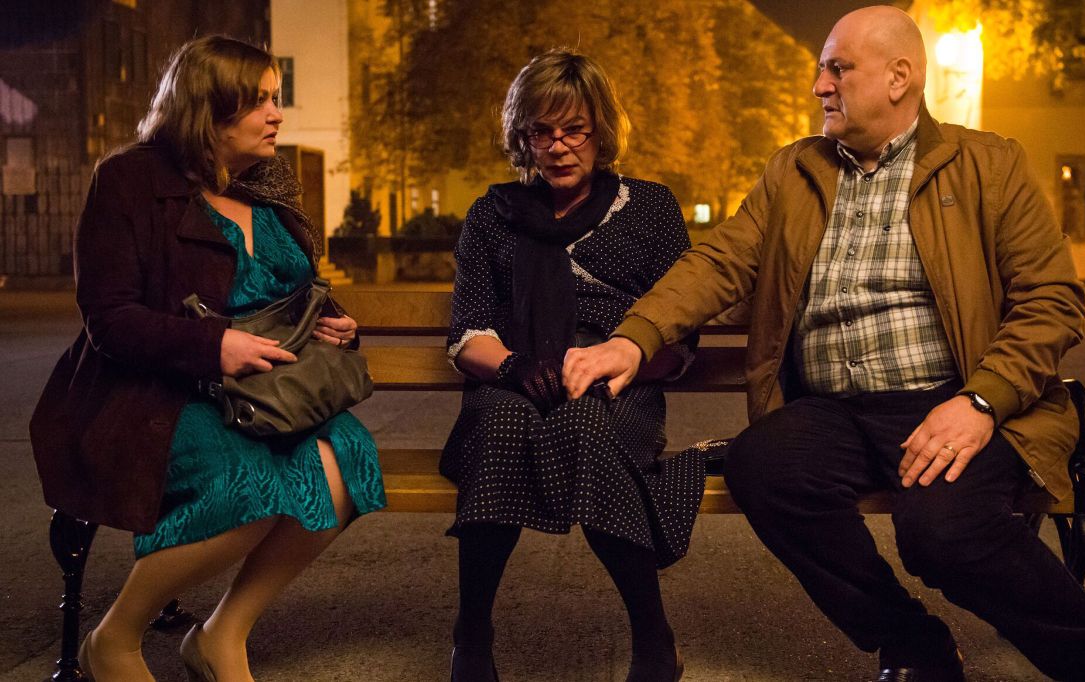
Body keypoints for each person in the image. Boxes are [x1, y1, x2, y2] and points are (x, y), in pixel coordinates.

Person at [563, 6, 1085, 681]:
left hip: (952, 399)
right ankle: (913, 644)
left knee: (940, 532)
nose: (820, 86)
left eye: (837, 69)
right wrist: (634, 339)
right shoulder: (795, 171)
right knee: (763, 466)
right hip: (833, 412)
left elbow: (1052, 301)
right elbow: (719, 262)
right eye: (821, 70)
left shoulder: (988, 165)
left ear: (899, 78)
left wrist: (982, 401)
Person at [29, 36, 386, 682]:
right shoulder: (128, 181)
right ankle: (115, 640)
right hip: (157, 395)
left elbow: (295, 287)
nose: (277, 114)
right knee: (253, 482)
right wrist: (213, 346)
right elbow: (108, 318)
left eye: (275, 98)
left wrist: (331, 323)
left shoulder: (266, 184)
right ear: (208, 110)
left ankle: (224, 634)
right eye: (259, 101)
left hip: (268, 392)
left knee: (349, 459)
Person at [441, 48, 703, 682]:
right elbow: (467, 331)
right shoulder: (492, 215)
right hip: (518, 374)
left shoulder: (651, 208)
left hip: (618, 381)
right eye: (542, 131)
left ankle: (653, 635)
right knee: (501, 425)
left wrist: (621, 359)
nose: (559, 147)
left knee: (584, 426)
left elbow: (680, 330)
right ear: (523, 136)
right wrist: (512, 368)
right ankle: (471, 635)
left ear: (600, 131)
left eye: (575, 130)